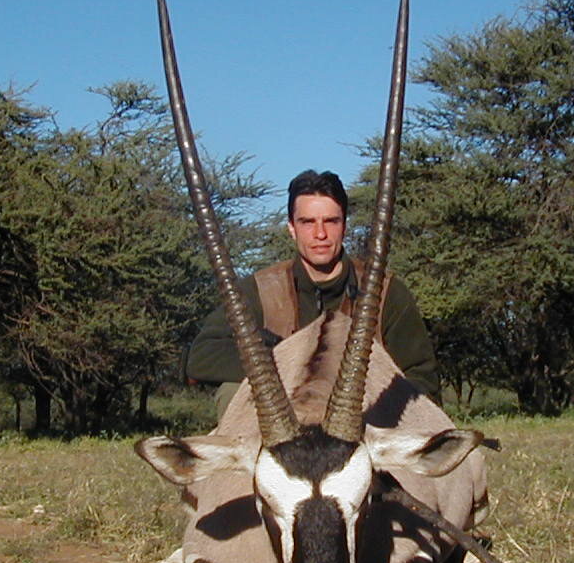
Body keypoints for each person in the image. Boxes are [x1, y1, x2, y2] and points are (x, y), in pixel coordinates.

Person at [186, 169, 440, 415]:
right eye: (307, 222)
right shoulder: (260, 290)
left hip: (363, 423)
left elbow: (423, 380)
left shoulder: (386, 292)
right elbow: (201, 357)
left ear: (344, 226)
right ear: (291, 228)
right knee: (232, 390)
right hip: (284, 421)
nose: (320, 234)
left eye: (331, 221)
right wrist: (289, 359)